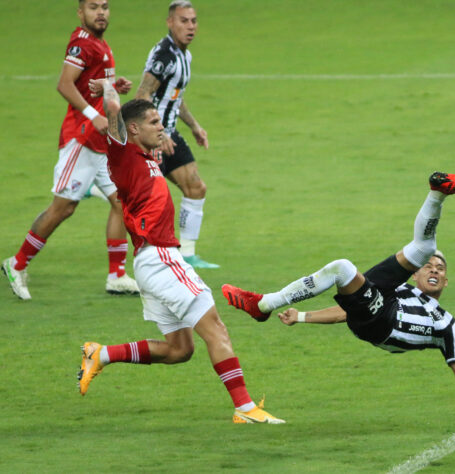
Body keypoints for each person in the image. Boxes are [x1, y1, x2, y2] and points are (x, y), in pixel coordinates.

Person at [222, 172, 455, 438]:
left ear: (446, 281)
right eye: (428, 267)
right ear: (415, 274)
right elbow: (346, 312)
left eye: (440, 269)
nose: (434, 270)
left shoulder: (446, 324)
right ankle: (437, 193)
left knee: (343, 268)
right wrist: (302, 317)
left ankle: (262, 305)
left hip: (381, 322)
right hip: (382, 303)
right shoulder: (403, 289)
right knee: (423, 247)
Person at [77, 78, 284, 424]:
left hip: (153, 260)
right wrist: (108, 85)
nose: (162, 126)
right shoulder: (123, 152)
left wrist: (159, 138)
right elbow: (113, 109)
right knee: (215, 327)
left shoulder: (143, 155)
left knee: (180, 350)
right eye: (155, 122)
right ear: (133, 129)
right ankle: (246, 409)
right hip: (160, 259)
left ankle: (101, 354)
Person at [2, 0, 139, 300]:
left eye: (104, 6)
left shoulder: (100, 44)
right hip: (82, 139)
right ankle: (17, 263)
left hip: (99, 143)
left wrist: (114, 86)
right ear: (81, 12)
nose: (101, 12)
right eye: (93, 7)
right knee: (63, 207)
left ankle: (116, 276)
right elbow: (65, 85)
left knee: (121, 202)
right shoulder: (82, 43)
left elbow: (90, 85)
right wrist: (95, 116)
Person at [134, 0, 217, 269]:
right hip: (154, 137)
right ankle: (147, 260)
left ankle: (188, 255)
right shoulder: (164, 56)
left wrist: (194, 126)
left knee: (196, 187)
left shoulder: (184, 55)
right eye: (183, 21)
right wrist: (157, 131)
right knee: (152, 201)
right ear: (170, 23)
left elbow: (175, 97)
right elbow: (142, 94)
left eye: (193, 21)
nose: (190, 26)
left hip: (170, 133)